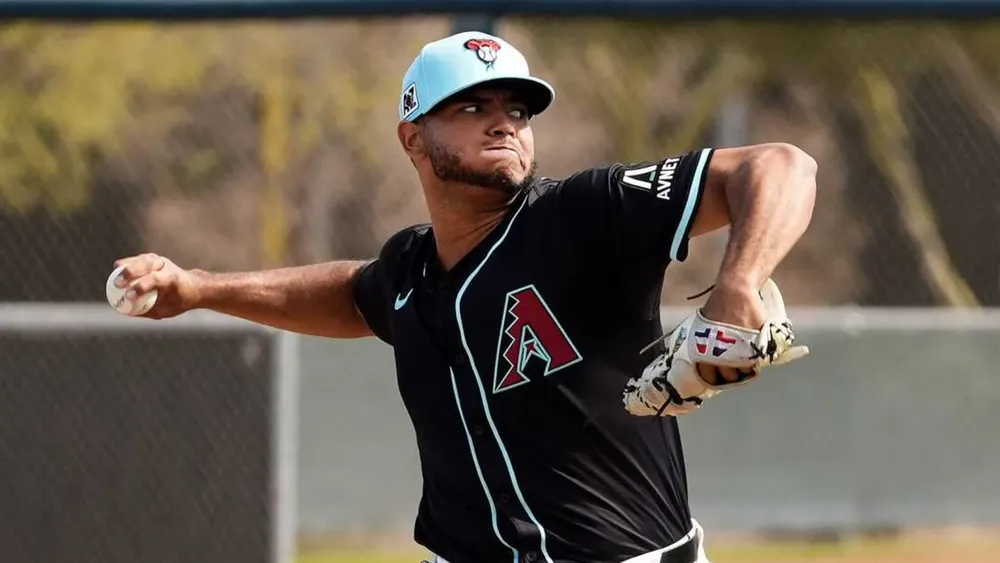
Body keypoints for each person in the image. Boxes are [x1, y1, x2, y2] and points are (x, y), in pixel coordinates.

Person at [113, 31, 817, 563]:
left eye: (518, 109)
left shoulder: (582, 216)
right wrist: (198, 288)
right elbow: (351, 295)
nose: (503, 121)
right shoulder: (411, 271)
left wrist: (738, 283)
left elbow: (779, 166)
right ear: (413, 138)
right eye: (473, 106)